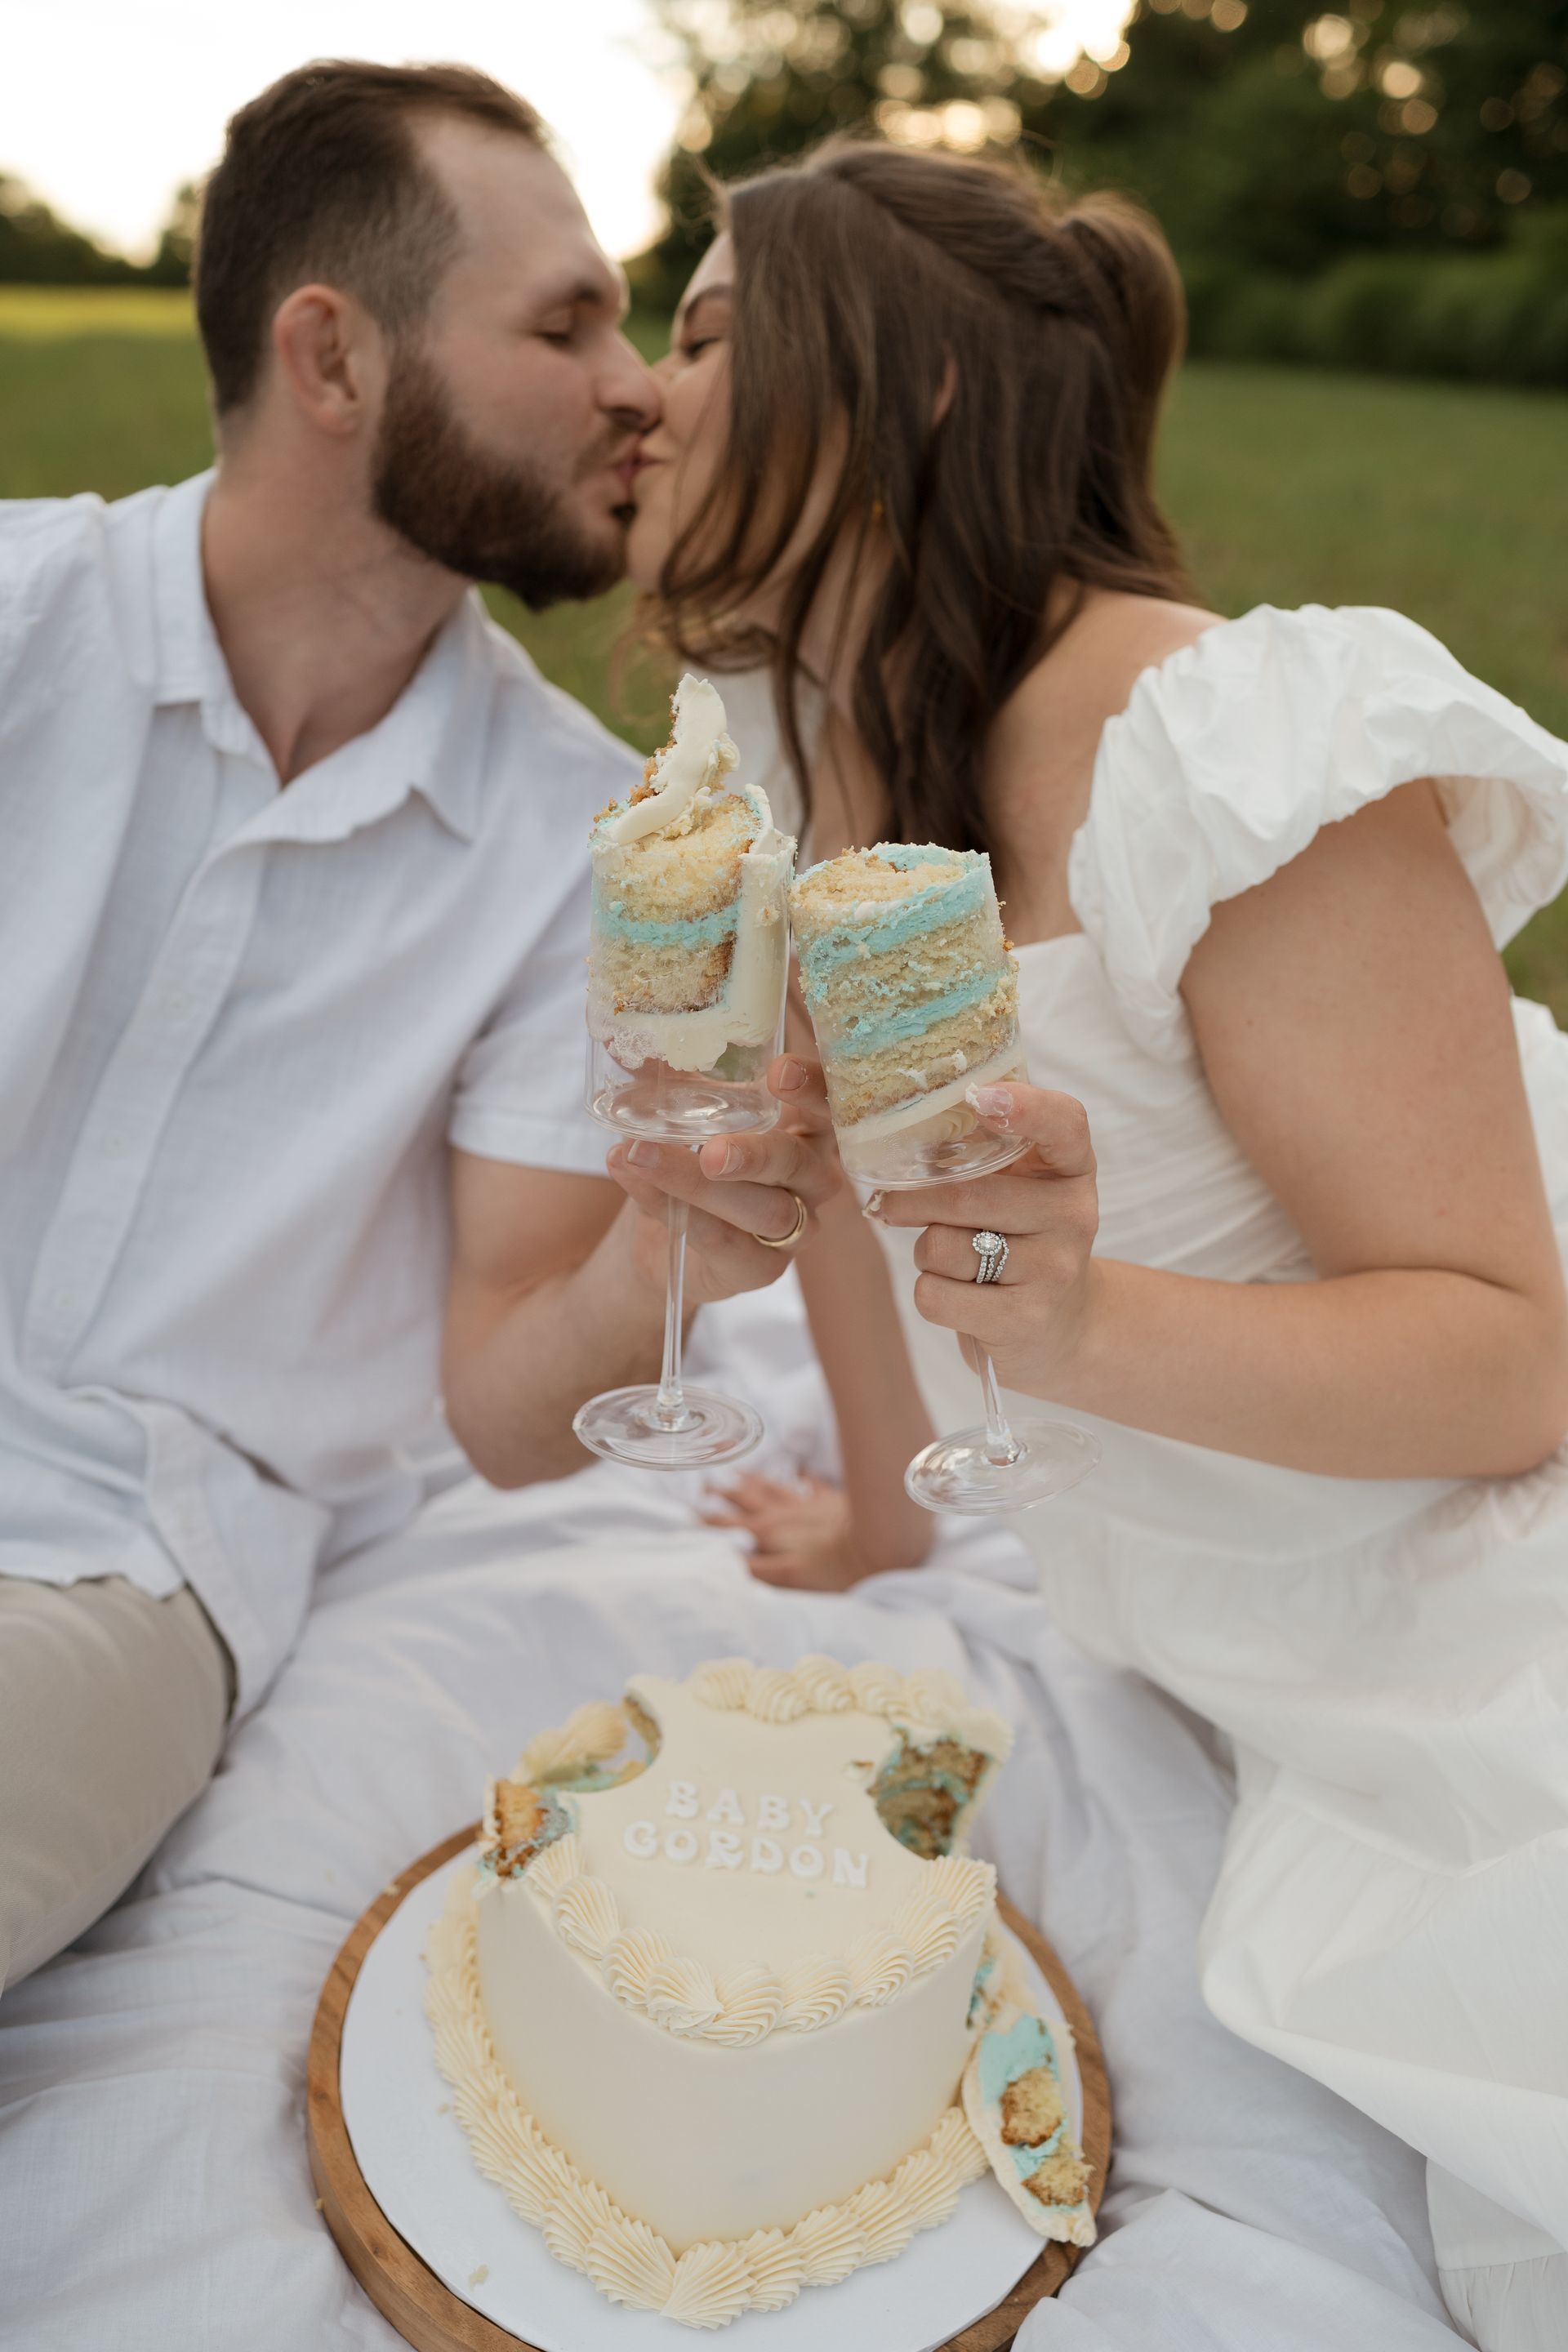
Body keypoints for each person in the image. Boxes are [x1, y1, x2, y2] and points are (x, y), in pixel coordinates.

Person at [622, 138, 1568, 2350]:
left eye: (699, 333)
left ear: (912, 392)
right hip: (1196, 1584)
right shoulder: (780, 745)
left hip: (1472, 1551)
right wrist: (875, 1504)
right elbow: (870, 1186)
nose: (635, 400)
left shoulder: (1217, 741)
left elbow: (1515, 1357)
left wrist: (1070, 1319)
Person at [0, 60, 837, 1997]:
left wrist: (670, 1256)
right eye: (568, 323)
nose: (639, 386)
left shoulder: (582, 850)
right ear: (334, 358)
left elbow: (501, 1409)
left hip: (117, 1568)